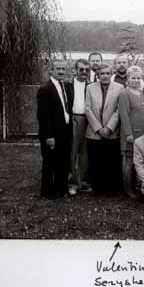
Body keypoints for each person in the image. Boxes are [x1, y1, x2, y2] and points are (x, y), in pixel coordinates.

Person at [36, 59, 73, 199]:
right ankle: (47, 192)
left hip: (65, 131)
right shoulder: (45, 89)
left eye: (63, 69)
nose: (61, 71)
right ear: (51, 70)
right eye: (58, 69)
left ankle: (61, 189)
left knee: (63, 162)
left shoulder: (67, 87)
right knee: (50, 163)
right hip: (51, 133)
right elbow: (42, 116)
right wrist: (48, 136)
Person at [85, 63, 124, 194]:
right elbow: (88, 109)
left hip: (111, 132)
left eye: (107, 73)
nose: (105, 76)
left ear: (111, 74)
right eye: (102, 74)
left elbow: (119, 110)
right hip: (94, 132)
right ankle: (97, 187)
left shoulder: (119, 88)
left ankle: (111, 187)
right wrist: (98, 128)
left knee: (110, 159)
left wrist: (108, 128)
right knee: (95, 159)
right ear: (97, 75)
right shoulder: (90, 88)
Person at [118, 66, 144, 199]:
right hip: (131, 134)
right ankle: (128, 189)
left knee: (139, 161)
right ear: (128, 79)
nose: (136, 80)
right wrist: (128, 134)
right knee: (128, 162)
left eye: (138, 78)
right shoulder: (124, 94)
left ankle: (139, 186)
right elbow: (124, 115)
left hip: (143, 133)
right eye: (133, 78)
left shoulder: (142, 93)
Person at [68, 58, 91, 195]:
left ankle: (83, 182)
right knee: (72, 152)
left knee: (85, 153)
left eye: (87, 70)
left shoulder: (92, 85)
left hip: (88, 121)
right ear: (75, 70)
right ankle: (72, 182)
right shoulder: (68, 85)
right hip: (74, 119)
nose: (84, 72)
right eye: (81, 69)